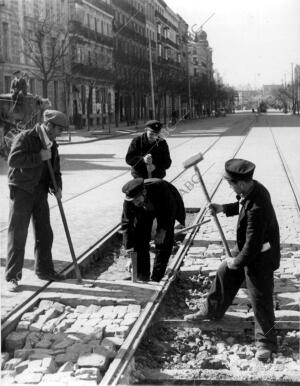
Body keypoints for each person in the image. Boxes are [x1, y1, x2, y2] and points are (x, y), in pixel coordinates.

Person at [184, 159, 280, 361]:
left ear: (242, 183)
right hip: (249, 246)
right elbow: (241, 205)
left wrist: (237, 262)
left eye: (231, 183)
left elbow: (253, 245)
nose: (230, 186)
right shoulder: (252, 189)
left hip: (261, 255)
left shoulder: (258, 206)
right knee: (224, 272)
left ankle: (266, 343)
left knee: (259, 297)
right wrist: (223, 208)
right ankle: (211, 310)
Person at [5, 109, 68, 292]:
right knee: (18, 234)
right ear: (48, 125)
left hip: (40, 191)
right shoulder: (25, 137)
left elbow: (55, 168)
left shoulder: (52, 143)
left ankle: (44, 270)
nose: (61, 133)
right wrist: (38, 157)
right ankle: (12, 277)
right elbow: (14, 160)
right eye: (59, 129)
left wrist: (57, 186)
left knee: (45, 233)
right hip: (22, 191)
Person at [121, 178, 185, 282]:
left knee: (164, 242)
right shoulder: (130, 202)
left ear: (144, 192)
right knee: (140, 239)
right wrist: (129, 251)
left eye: (137, 200)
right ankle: (143, 275)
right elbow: (126, 223)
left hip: (165, 207)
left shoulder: (160, 189)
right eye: (133, 202)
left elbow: (169, 211)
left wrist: (162, 230)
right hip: (145, 211)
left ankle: (157, 277)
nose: (135, 203)